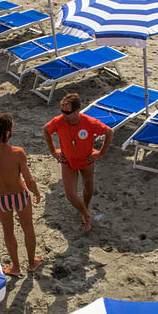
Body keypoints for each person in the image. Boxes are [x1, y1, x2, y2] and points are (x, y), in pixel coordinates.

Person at [0, 113, 43, 278]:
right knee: (28, 228)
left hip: (1, 198)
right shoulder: (17, 152)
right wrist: (36, 192)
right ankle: (32, 262)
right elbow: (29, 179)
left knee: (8, 231)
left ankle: (16, 267)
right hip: (20, 194)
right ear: (8, 132)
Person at [43, 93, 113, 231]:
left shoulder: (89, 122)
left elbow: (109, 132)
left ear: (77, 111)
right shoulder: (58, 121)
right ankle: (86, 214)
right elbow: (46, 130)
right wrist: (53, 151)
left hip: (87, 160)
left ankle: (85, 208)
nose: (64, 115)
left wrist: (101, 153)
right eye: (62, 111)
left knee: (88, 188)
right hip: (67, 161)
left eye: (67, 112)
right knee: (70, 195)